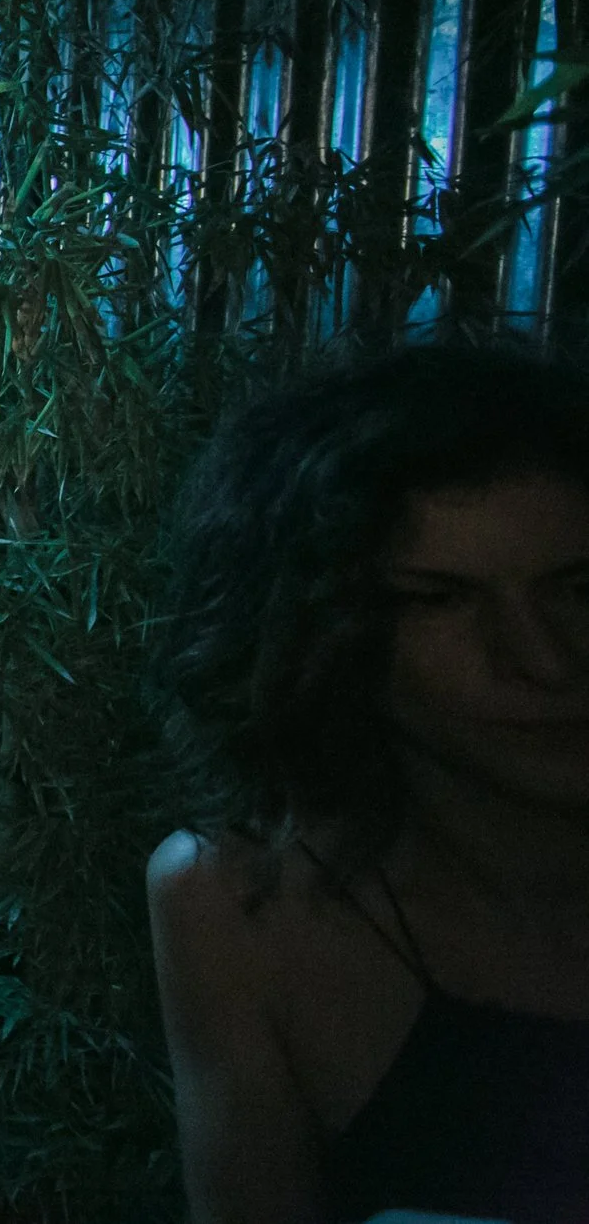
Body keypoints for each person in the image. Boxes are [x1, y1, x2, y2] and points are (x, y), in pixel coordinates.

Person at [147, 348, 589, 1224]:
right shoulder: (247, 905)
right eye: (439, 600)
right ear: (321, 631)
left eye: (579, 588)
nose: (543, 661)